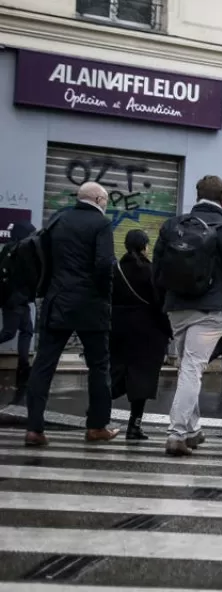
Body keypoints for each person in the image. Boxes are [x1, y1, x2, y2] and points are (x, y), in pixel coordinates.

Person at [152, 175, 222, 457]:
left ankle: (192, 430)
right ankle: (177, 433)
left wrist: (164, 303)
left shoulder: (173, 226)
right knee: (192, 368)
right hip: (211, 309)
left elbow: (156, 270)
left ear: (197, 195)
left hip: (177, 307)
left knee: (187, 367)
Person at [23, 183, 118, 446]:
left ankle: (34, 429)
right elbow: (103, 265)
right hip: (90, 305)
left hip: (57, 301)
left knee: (44, 364)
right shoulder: (101, 224)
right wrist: (105, 296)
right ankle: (97, 426)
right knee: (99, 366)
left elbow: (43, 258)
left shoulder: (58, 220)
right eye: (105, 200)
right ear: (99, 199)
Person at [108, 230, 172, 440]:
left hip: (118, 328)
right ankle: (134, 426)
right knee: (142, 379)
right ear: (145, 246)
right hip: (148, 331)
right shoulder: (150, 271)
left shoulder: (115, 269)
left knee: (116, 373)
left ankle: (99, 409)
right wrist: (169, 331)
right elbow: (159, 304)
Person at [1, 218, 37, 405]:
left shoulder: (10, 249)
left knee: (27, 331)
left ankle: (24, 366)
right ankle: (24, 367)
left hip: (19, 301)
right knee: (8, 333)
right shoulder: (17, 251)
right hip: (14, 301)